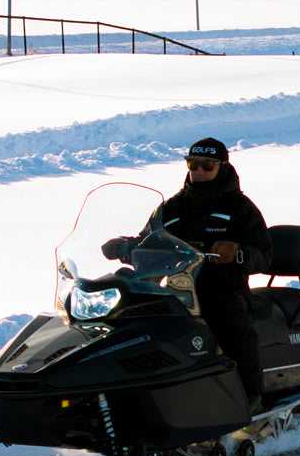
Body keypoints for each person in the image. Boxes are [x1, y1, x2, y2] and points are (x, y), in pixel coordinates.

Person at [107, 137, 272, 405]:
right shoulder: (172, 208)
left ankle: (249, 396)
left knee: (229, 320)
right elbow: (149, 243)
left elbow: (264, 255)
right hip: (176, 289)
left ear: (222, 167)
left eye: (207, 165)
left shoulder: (240, 209)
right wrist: (125, 247)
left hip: (222, 289)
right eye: (193, 164)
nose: (199, 171)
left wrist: (237, 252)